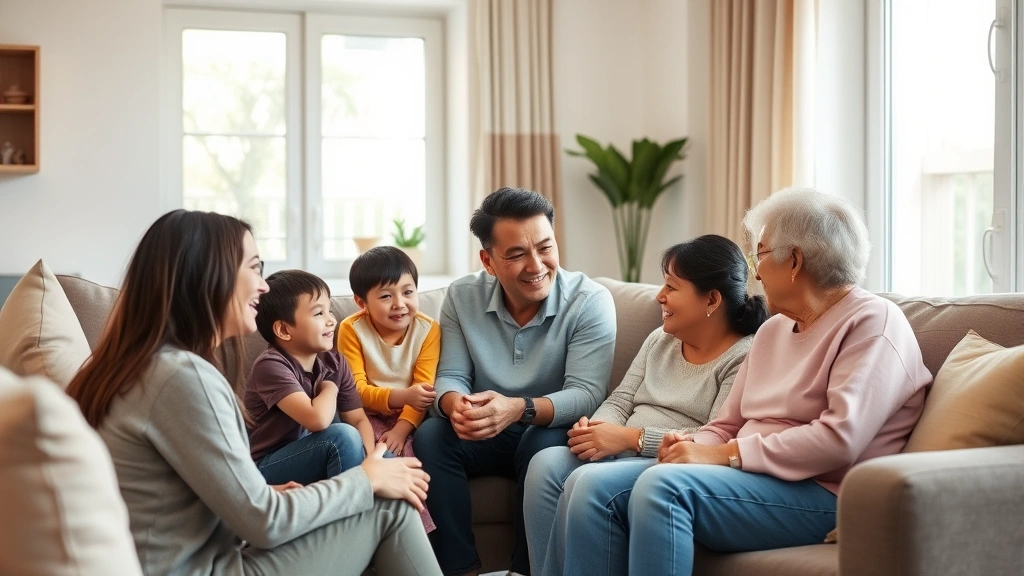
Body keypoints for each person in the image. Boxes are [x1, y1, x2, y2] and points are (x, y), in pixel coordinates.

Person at [559, 187, 933, 576]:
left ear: (795, 261)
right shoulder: (773, 332)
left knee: (664, 490)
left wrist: (722, 455)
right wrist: (689, 446)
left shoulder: (873, 323)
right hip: (750, 475)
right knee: (598, 488)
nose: (754, 271)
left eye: (761, 255)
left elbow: (839, 440)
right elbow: (725, 424)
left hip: (825, 492)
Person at [66, 210, 441, 576]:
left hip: (194, 555)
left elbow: (177, 497)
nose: (263, 286)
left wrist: (264, 491)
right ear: (210, 277)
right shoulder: (182, 377)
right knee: (390, 507)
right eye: (254, 268)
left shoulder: (149, 366)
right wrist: (366, 478)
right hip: (205, 566)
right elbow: (264, 523)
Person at [523, 234, 769, 576]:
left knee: (588, 483)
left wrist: (628, 439)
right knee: (546, 464)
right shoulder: (661, 337)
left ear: (711, 299)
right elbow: (621, 398)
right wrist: (597, 429)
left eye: (672, 286)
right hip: (620, 445)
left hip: (668, 458)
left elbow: (713, 437)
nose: (660, 296)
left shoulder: (744, 355)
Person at [415, 187, 617, 576]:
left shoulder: (590, 301)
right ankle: (461, 570)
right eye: (517, 254)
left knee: (541, 442)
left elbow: (588, 394)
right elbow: (452, 375)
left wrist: (517, 409)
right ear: (488, 261)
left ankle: (524, 571)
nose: (536, 264)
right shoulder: (462, 296)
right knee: (432, 436)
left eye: (545, 247)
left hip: (545, 427)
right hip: (486, 428)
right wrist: (452, 402)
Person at [339, 245, 440, 532]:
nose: (399, 303)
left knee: (410, 465)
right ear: (362, 302)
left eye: (408, 292)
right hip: (364, 415)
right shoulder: (351, 329)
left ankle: (418, 536)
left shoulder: (429, 330)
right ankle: (378, 531)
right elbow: (354, 390)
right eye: (386, 296)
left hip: (410, 417)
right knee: (378, 459)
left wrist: (402, 428)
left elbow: (424, 389)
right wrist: (399, 396)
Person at [245, 269, 375, 486]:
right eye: (318, 314)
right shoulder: (270, 366)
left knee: (388, 460)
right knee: (343, 438)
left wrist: (372, 459)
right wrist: (330, 388)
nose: (332, 321)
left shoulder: (335, 362)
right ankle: (348, 515)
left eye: (329, 311)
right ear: (284, 330)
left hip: (312, 452)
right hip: (265, 467)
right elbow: (318, 419)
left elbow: (358, 419)